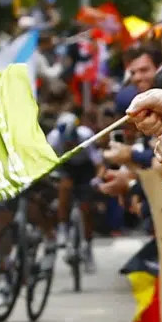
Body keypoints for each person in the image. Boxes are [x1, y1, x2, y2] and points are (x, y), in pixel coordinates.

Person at [46, 111, 100, 273]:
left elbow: (98, 163)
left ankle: (88, 247)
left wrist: (97, 179)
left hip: (85, 169)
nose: (69, 144)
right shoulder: (54, 139)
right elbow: (47, 163)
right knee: (64, 188)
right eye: (66, 142)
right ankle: (63, 228)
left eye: (71, 141)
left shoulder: (86, 136)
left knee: (86, 208)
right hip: (65, 167)